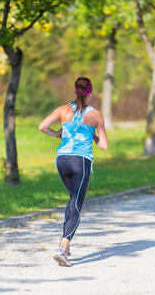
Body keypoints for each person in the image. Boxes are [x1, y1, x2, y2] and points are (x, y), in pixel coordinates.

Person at [39, 77, 109, 267]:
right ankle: (62, 248)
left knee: (72, 200)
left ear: (75, 91)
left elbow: (42, 126)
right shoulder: (96, 115)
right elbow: (104, 145)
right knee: (76, 204)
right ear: (90, 92)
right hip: (81, 162)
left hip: (62, 161)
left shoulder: (62, 110)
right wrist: (93, 134)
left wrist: (57, 134)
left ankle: (65, 245)